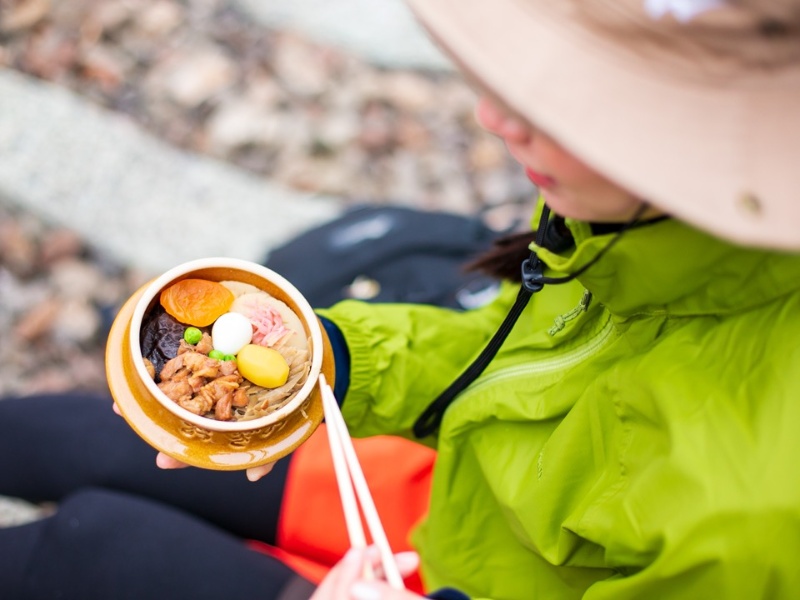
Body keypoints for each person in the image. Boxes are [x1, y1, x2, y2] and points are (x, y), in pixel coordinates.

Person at [2, 0, 800, 598]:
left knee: (92, 546)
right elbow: (505, 356)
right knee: (60, 436)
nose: (496, 119)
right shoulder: (634, 217)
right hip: (453, 483)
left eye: (565, 111)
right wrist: (336, 366)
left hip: (451, 581)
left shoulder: (756, 516)